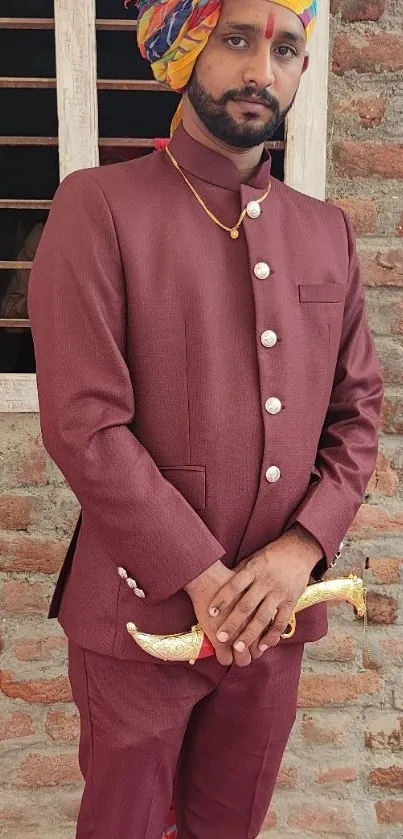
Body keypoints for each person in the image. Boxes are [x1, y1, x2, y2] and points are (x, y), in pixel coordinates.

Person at [28, 1, 383, 838]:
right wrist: (201, 575)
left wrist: (299, 552)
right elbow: (84, 422)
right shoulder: (97, 204)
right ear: (185, 48)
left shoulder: (325, 231)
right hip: (137, 619)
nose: (262, 71)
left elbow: (357, 412)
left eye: (286, 49)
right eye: (235, 40)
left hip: (276, 621)